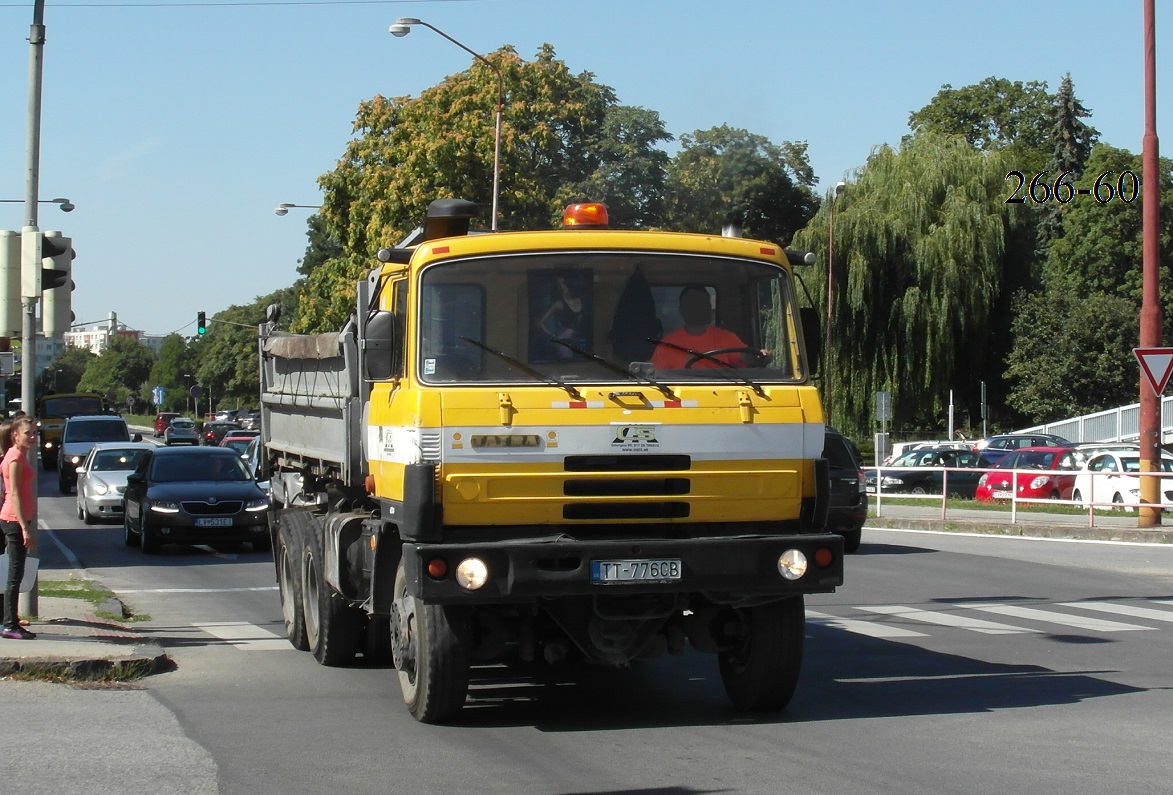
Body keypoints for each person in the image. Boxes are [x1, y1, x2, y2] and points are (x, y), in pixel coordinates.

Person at [650, 285, 767, 369]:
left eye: (705, 303)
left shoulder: (726, 338)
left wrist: (762, 356)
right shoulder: (668, 344)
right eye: (695, 304)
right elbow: (656, 378)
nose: (702, 308)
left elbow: (747, 358)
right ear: (682, 310)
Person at [1, 417, 37, 639]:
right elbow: (13, 493)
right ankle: (9, 624)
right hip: (14, 520)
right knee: (15, 575)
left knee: (16, 572)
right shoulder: (14, 457)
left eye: (34, 433)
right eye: (28, 433)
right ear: (15, 435)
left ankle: (10, 622)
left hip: (18, 519)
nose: (32, 437)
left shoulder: (19, 455)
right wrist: (24, 527)